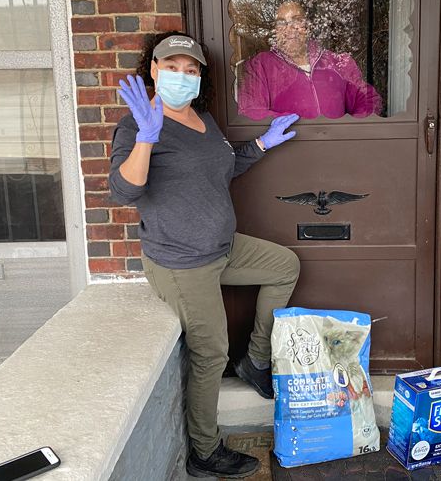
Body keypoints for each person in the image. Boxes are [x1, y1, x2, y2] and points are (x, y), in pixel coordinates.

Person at [108, 32, 301, 479]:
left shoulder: (203, 119)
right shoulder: (137, 124)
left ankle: (254, 361)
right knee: (210, 352)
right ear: (153, 70)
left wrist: (263, 145)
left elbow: (223, 166)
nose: (181, 75)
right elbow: (124, 191)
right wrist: (147, 139)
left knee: (284, 265)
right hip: (180, 261)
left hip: (222, 247)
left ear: (199, 78)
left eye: (190, 69)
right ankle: (204, 450)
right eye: (171, 67)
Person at [237, 1, 381, 120]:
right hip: (288, 151)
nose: (289, 28)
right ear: (275, 29)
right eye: (281, 23)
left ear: (308, 25)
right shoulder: (260, 66)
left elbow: (368, 99)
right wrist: (299, 127)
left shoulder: (337, 63)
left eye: (296, 20)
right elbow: (251, 111)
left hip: (336, 150)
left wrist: (348, 131)